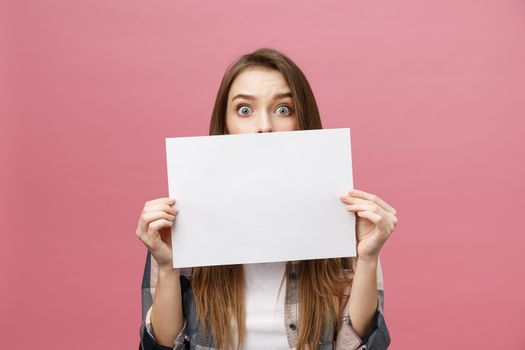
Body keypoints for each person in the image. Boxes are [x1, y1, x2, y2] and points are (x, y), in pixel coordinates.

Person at [137, 48, 398, 350]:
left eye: (283, 109)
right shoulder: (179, 223)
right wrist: (168, 267)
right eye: (244, 110)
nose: (264, 126)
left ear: (304, 122)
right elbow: (162, 347)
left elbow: (360, 346)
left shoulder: (344, 221)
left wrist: (366, 259)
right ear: (225, 126)